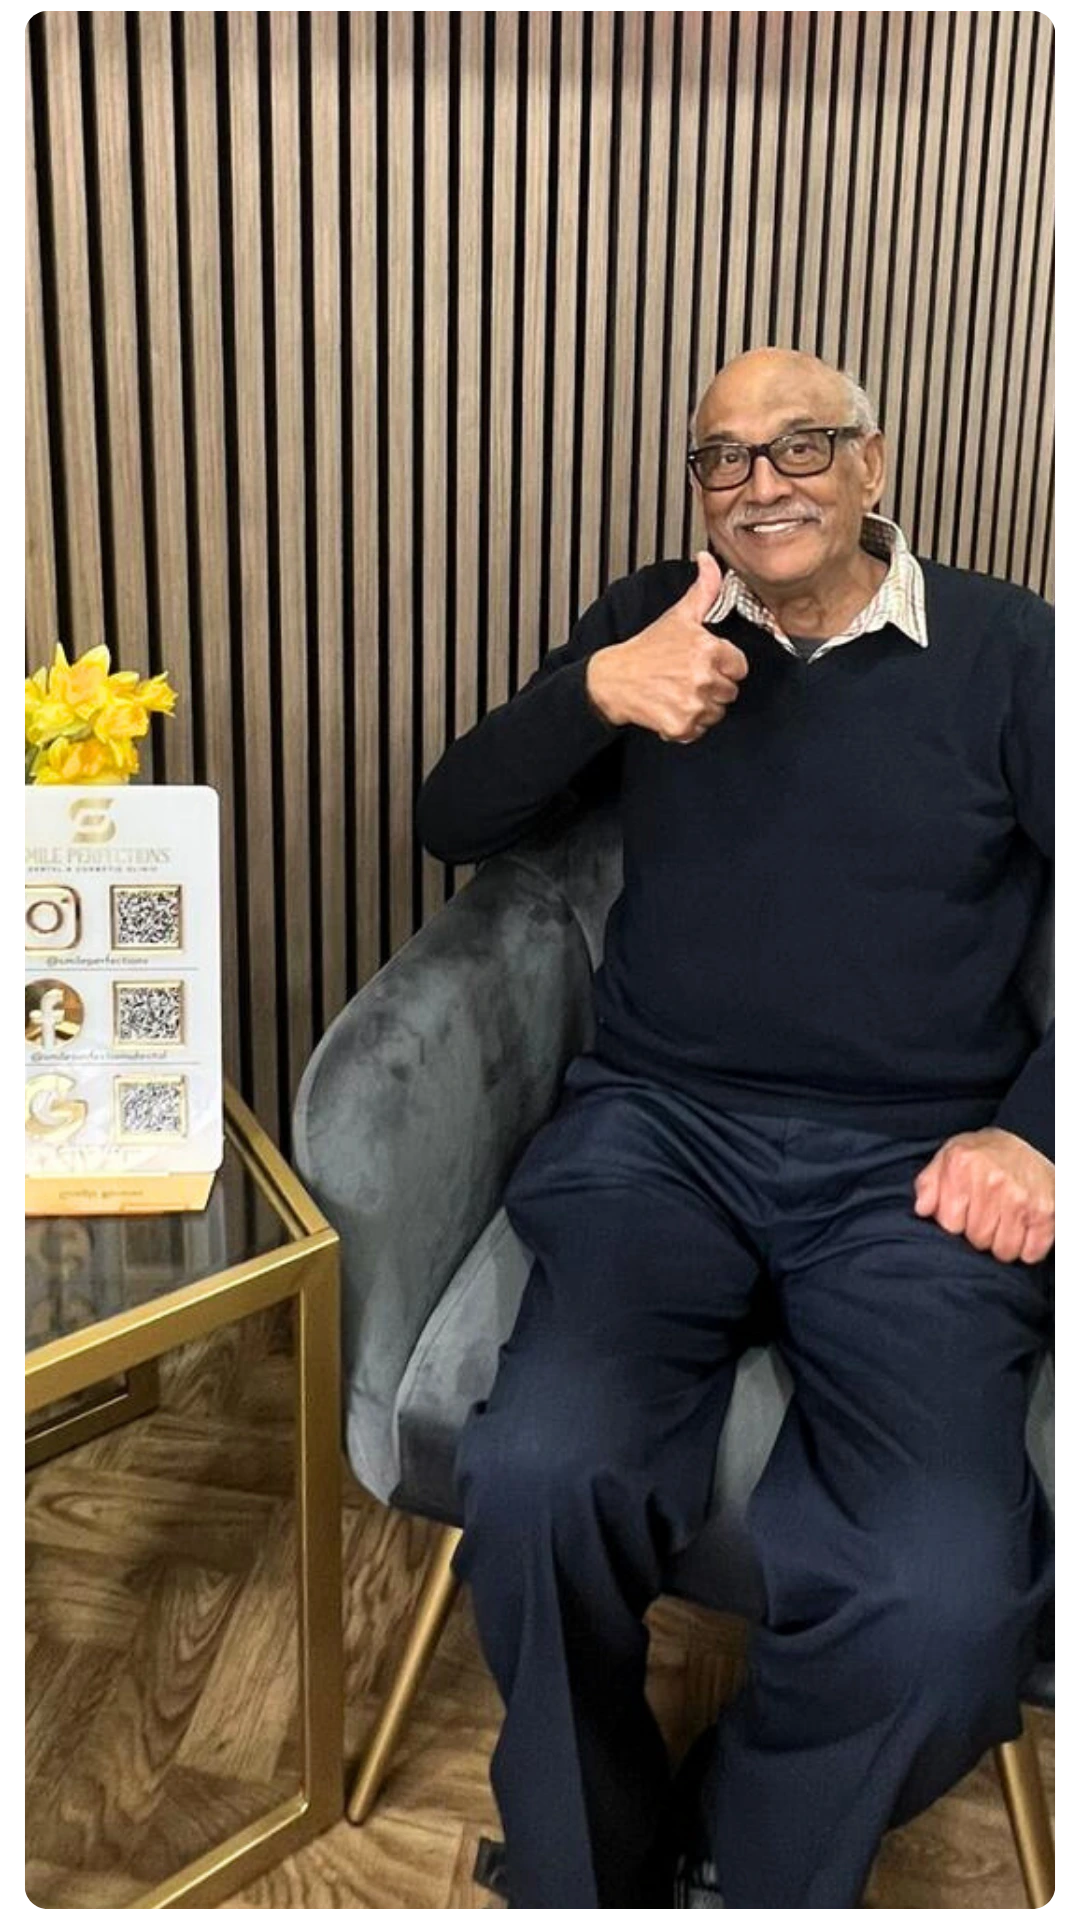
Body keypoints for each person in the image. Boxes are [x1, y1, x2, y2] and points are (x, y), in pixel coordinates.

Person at [416, 348, 1056, 1913]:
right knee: (543, 1476)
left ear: (877, 465)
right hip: (658, 1137)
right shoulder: (661, 613)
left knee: (952, 1601)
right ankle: (588, 1869)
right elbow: (453, 820)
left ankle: (750, 1855)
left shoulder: (1010, 651)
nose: (761, 481)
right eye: (722, 458)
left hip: (915, 1164)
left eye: (803, 445)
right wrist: (593, 692)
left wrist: (1037, 1134)